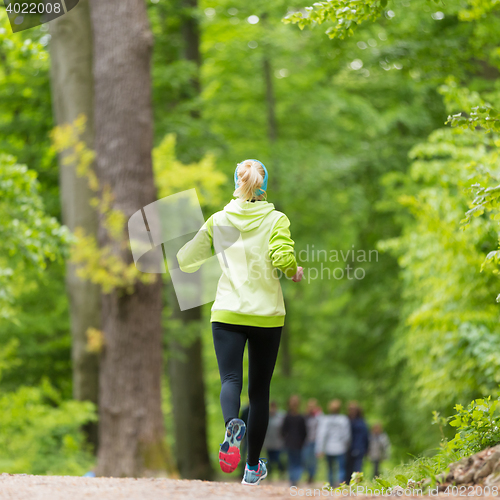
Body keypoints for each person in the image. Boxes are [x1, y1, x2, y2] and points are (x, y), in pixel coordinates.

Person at [177, 159, 303, 486]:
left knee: (230, 379)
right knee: (259, 392)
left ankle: (232, 423)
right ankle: (251, 469)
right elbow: (283, 257)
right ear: (264, 186)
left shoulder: (218, 220)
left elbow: (186, 262)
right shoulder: (276, 219)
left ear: (237, 183)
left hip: (227, 313)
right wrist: (294, 272)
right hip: (267, 316)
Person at [315, 399, 351, 487]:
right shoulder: (343, 419)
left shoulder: (325, 419)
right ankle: (340, 485)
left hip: (328, 448)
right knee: (341, 469)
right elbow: (346, 435)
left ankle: (331, 486)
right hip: (341, 448)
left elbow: (322, 435)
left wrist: (319, 449)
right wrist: (347, 446)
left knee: (330, 469)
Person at [281, 394, 307, 486]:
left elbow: (283, 431)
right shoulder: (300, 417)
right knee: (297, 462)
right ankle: (295, 479)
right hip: (298, 443)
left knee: (292, 462)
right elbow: (304, 432)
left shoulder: (288, 416)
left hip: (290, 442)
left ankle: (293, 479)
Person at [344, 401, 370, 484]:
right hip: (347, 447)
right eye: (350, 409)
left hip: (359, 447)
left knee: (357, 468)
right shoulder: (346, 420)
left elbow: (366, 436)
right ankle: (347, 485)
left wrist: (366, 448)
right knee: (348, 467)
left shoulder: (361, 422)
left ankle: (357, 484)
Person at [263, 400, 286, 479]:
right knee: (269, 459)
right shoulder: (266, 416)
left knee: (278, 458)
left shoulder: (281, 417)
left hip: (278, 442)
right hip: (268, 442)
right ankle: (269, 473)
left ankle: (282, 471)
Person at [302, 398, 322, 484]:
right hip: (306, 441)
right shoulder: (305, 416)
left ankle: (311, 476)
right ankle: (308, 473)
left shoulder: (319, 416)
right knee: (305, 459)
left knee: (313, 460)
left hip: (316, 441)